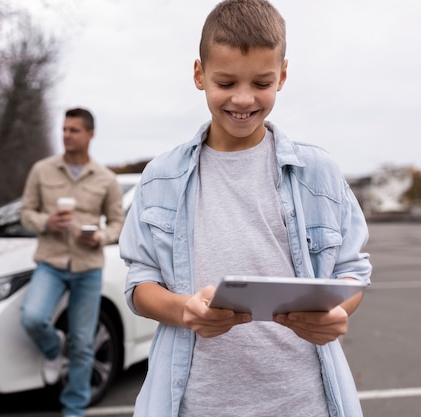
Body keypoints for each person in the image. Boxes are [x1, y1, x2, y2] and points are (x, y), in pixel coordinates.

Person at [118, 1, 372, 416]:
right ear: (199, 74)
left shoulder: (319, 172)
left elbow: (352, 273)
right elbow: (140, 284)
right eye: (226, 81)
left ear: (283, 76)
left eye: (261, 83)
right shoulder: (159, 177)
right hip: (196, 402)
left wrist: (337, 313)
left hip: (304, 402)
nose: (243, 98)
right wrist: (184, 310)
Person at [20, 107, 124, 417]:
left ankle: (74, 408)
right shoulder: (42, 170)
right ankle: (53, 348)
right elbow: (25, 213)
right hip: (50, 263)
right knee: (33, 318)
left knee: (82, 343)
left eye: (74, 130)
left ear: (90, 134)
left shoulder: (106, 179)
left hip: (88, 266)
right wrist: (47, 222)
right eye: (64, 129)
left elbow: (118, 223)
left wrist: (101, 237)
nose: (66, 135)